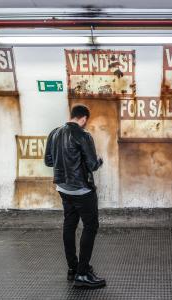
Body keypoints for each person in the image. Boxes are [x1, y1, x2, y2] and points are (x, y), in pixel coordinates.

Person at [44, 105, 106, 289]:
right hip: (81, 190)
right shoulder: (83, 135)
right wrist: (100, 160)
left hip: (63, 189)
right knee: (91, 226)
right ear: (84, 118)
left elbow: (48, 161)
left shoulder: (54, 133)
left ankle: (73, 268)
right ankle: (83, 273)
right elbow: (93, 165)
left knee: (69, 225)